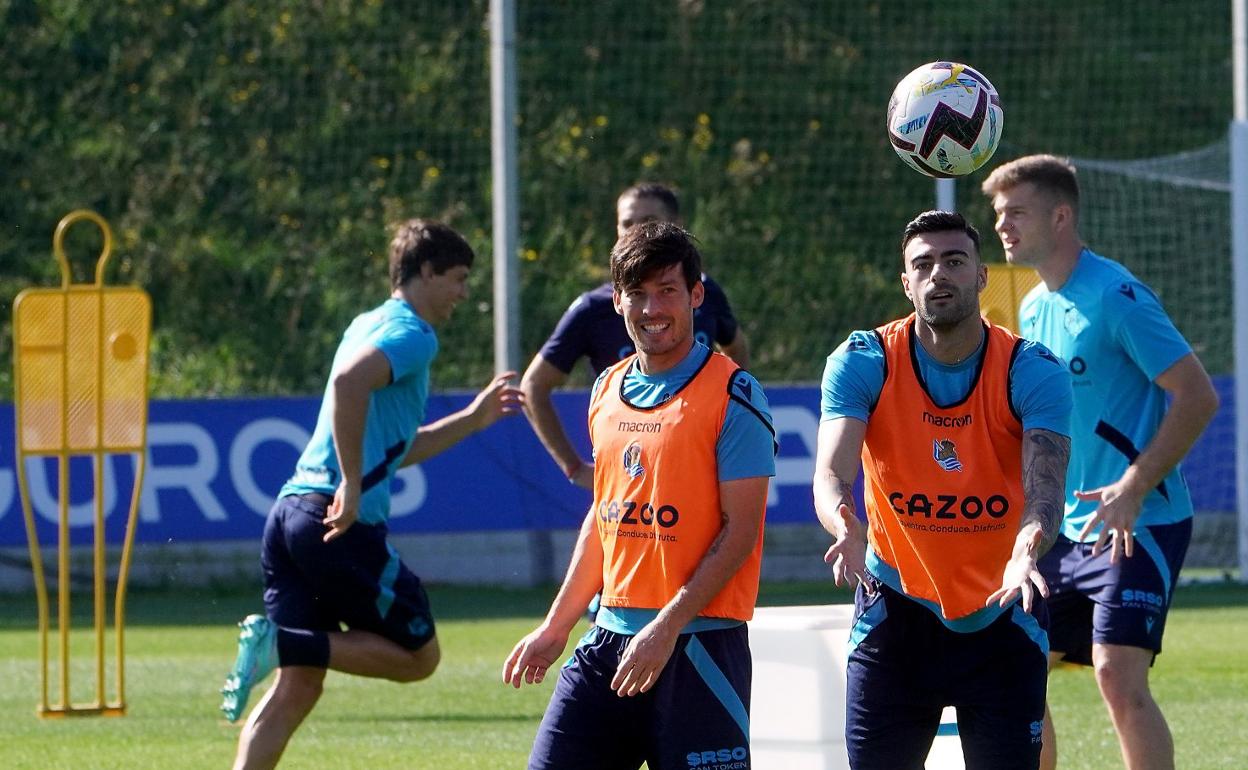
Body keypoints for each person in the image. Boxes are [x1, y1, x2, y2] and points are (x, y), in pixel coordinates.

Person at [219, 219, 524, 770]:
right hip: (335, 519)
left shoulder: (366, 323)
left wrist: (474, 420)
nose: (462, 294)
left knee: (300, 685)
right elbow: (348, 385)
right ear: (425, 272)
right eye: (457, 278)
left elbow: (395, 445)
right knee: (418, 656)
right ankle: (281, 644)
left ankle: (280, 648)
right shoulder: (414, 333)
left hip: (291, 512)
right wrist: (353, 486)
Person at [502, 220, 776, 770]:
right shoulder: (606, 388)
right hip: (609, 642)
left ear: (696, 296)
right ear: (618, 301)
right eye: (637, 294)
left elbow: (740, 530)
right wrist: (557, 626)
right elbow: (604, 520)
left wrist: (666, 627)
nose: (652, 309)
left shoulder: (734, 394)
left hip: (699, 649)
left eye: (667, 291)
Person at [982, 155, 1219, 770]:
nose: (1003, 226)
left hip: (1139, 522)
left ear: (1061, 216)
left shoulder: (1117, 296)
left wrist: (1134, 486)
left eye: (1017, 212)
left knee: (1116, 673)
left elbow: (1198, 394)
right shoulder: (1030, 308)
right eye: (998, 214)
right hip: (1065, 530)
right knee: (1017, 670)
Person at [814, 210, 1073, 770]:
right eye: (923, 264)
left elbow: (1045, 493)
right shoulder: (864, 360)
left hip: (1002, 610)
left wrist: (1024, 553)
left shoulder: (1031, 370)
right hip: (895, 612)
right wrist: (845, 523)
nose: (939, 275)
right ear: (905, 282)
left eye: (954, 261)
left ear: (982, 275)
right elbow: (831, 471)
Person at [521, 183, 750, 490]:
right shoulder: (595, 308)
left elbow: (736, 347)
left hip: (699, 472)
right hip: (630, 482)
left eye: (648, 220)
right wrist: (574, 467)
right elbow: (534, 385)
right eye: (627, 223)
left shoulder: (704, 292)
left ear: (677, 227)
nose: (637, 230)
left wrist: (733, 412)